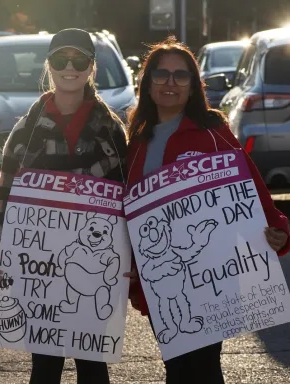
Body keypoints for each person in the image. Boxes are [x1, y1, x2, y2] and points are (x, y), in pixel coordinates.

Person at [124, 36, 290, 384]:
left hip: (210, 279)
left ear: (193, 85)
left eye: (180, 75)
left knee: (202, 369)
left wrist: (278, 228)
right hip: (163, 282)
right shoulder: (136, 140)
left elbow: (249, 189)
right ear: (148, 81)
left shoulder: (213, 131)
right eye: (162, 74)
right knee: (176, 369)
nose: (170, 83)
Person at [0, 28, 127, 384]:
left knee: (93, 367)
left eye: (79, 60)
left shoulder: (111, 129)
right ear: (48, 66)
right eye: (60, 59)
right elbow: (6, 194)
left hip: (95, 270)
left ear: (92, 68)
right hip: (41, 272)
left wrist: (128, 258)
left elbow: (126, 197)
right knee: (44, 368)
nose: (70, 67)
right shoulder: (25, 130)